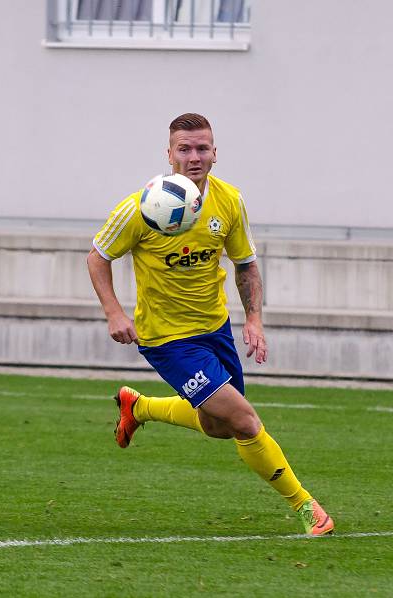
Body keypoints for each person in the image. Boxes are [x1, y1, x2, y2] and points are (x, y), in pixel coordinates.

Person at [86, 113, 333, 536]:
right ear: (169, 154)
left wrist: (253, 319)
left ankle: (139, 407)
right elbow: (97, 257)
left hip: (214, 330)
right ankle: (307, 507)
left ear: (216, 153)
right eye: (184, 149)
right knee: (244, 422)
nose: (194, 157)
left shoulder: (229, 201)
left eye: (202, 148)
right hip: (167, 340)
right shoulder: (141, 208)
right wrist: (114, 312)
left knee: (219, 427)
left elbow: (246, 265)